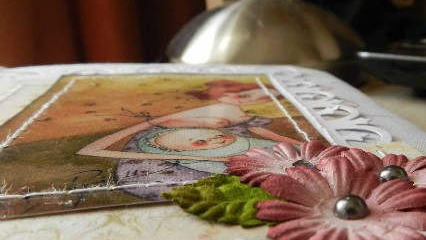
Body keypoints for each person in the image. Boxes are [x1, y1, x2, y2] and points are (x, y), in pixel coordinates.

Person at [77, 80, 305, 199]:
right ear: (221, 93)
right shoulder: (181, 119)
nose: (253, 100)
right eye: (245, 94)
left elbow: (263, 134)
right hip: (168, 158)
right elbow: (94, 149)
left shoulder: (240, 115)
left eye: (263, 98)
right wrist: (192, 156)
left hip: (225, 148)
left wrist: (301, 145)